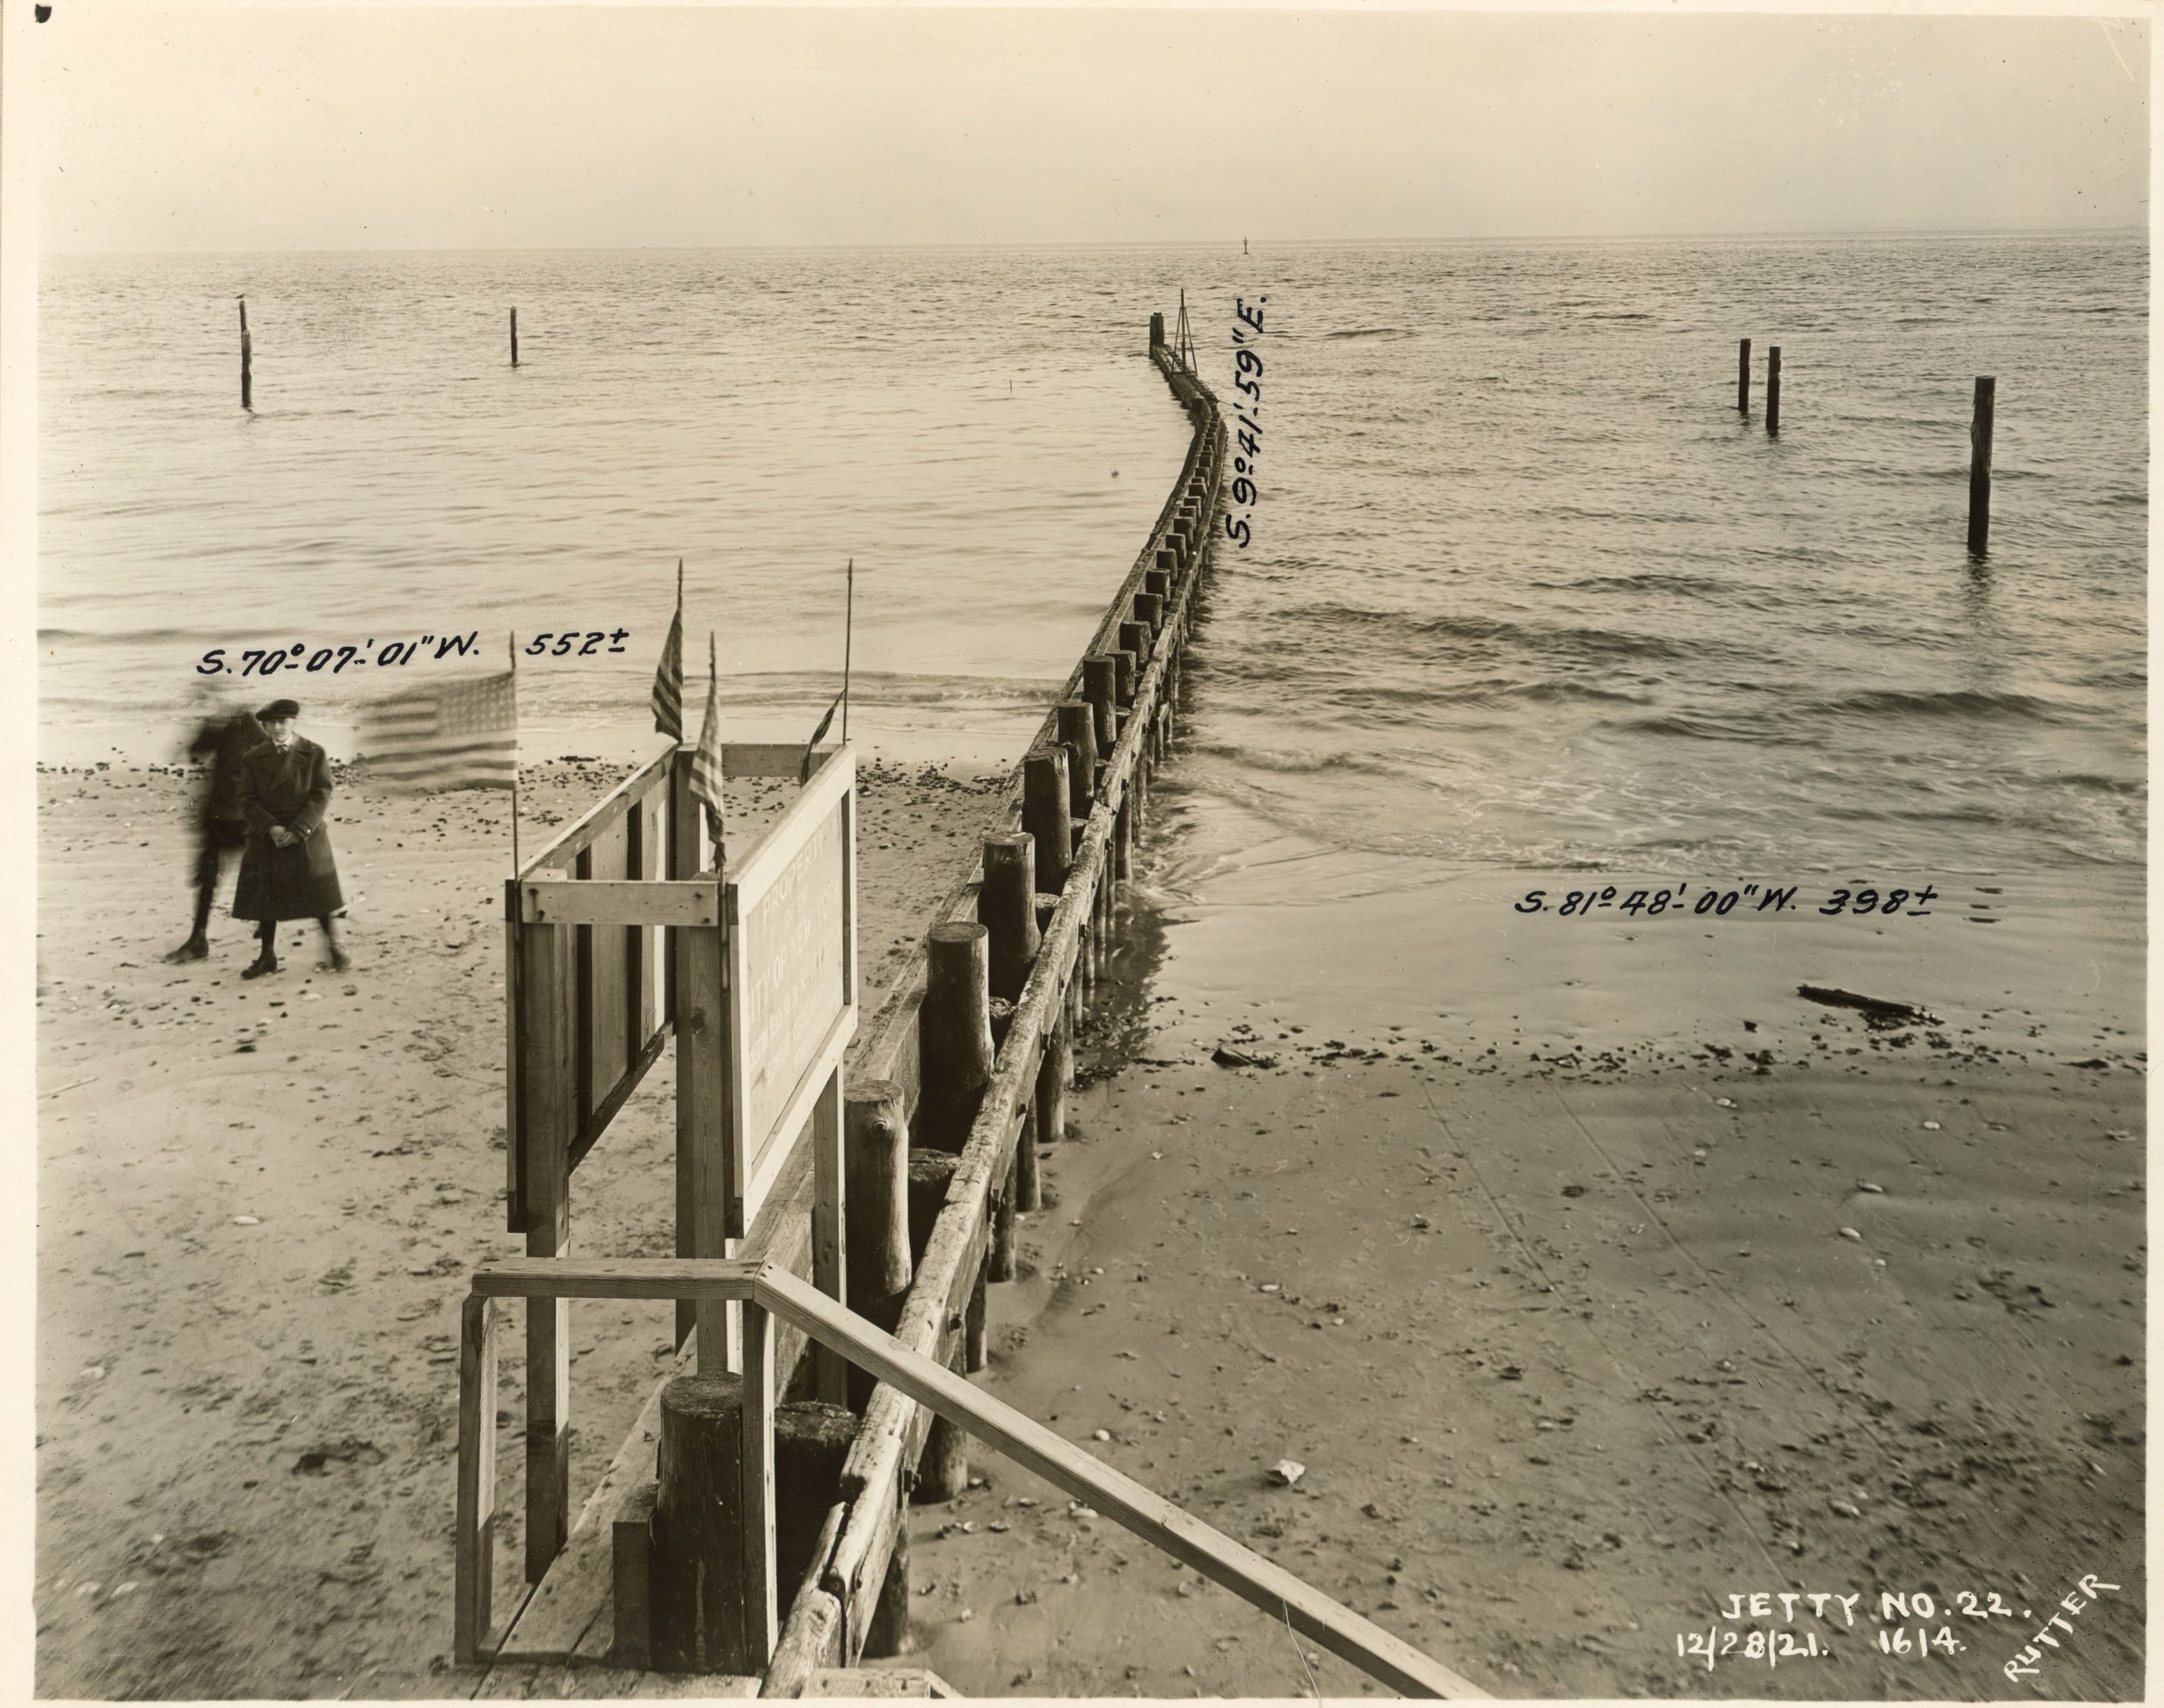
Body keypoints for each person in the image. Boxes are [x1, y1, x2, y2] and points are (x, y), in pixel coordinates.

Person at [232, 698, 350, 978]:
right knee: (265, 896)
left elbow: (321, 794)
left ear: (293, 722)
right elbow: (246, 799)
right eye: (269, 723)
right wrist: (270, 827)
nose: (275, 728)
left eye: (281, 722)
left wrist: (299, 830)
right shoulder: (253, 756)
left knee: (318, 893)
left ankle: (334, 948)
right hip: (267, 835)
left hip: (305, 834)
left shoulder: (314, 753)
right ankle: (267, 955)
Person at [166, 681, 265, 963]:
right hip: (234, 817)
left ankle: (201, 939)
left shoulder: (236, 724)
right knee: (229, 875)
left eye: (205, 701)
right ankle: (201, 939)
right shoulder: (237, 726)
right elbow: (194, 753)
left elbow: (194, 753)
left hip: (231, 816)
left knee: (218, 877)